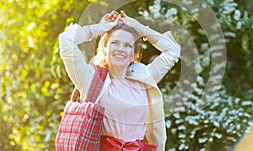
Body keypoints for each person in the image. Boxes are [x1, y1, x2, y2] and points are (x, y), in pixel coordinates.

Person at [59, 10, 181, 151]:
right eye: (115, 43)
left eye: (127, 45)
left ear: (134, 55)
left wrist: (140, 28)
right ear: (105, 48)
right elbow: (66, 40)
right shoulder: (91, 80)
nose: (120, 49)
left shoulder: (143, 77)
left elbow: (172, 50)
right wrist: (100, 27)